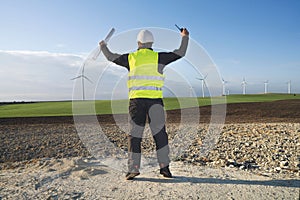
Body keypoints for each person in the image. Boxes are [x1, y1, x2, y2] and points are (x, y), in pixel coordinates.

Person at [99, 28, 189, 180]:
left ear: (138, 43)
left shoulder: (131, 58)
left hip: (136, 101)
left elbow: (110, 57)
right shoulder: (159, 57)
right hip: (155, 101)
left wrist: (103, 46)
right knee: (160, 135)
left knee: (135, 135)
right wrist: (185, 37)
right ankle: (164, 168)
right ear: (151, 43)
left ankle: (133, 168)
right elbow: (181, 52)